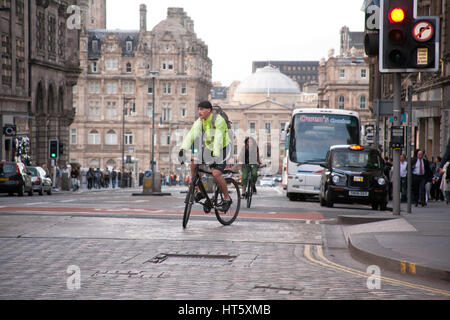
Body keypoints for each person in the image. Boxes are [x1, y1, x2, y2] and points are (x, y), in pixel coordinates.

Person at [178, 100, 232, 212]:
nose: (199, 112)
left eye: (202, 109)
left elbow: (218, 139)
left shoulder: (219, 121)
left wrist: (215, 157)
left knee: (216, 173)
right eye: (198, 109)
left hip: (223, 148)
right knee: (193, 164)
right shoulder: (200, 121)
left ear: (209, 110)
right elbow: (191, 135)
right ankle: (200, 191)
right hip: (209, 148)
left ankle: (227, 198)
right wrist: (182, 150)